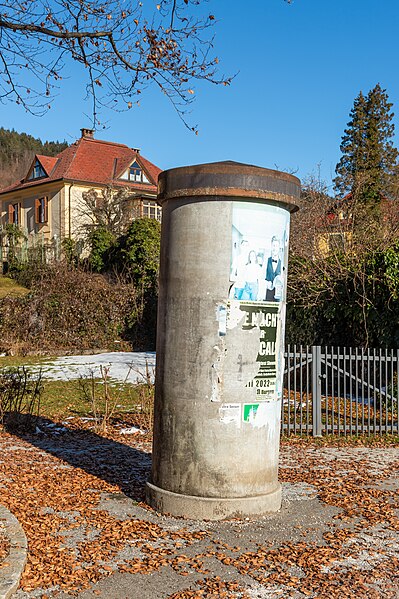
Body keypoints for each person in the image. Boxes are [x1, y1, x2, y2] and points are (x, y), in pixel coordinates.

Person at [265, 236, 283, 302]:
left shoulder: (282, 262)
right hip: (268, 292)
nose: (274, 248)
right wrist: (267, 283)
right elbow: (262, 276)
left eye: (276, 246)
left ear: (279, 248)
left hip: (279, 293)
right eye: (273, 245)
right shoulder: (266, 260)